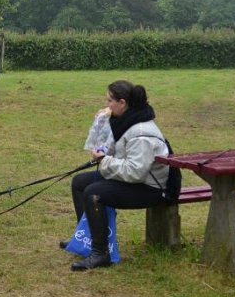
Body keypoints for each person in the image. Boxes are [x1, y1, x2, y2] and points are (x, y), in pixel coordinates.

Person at [65, 80, 170, 271]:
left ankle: (101, 253)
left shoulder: (141, 133)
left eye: (109, 101)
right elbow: (112, 150)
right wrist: (102, 126)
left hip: (151, 188)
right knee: (79, 182)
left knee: (93, 193)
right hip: (136, 180)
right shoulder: (127, 120)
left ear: (122, 103)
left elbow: (135, 172)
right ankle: (86, 238)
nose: (106, 105)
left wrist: (104, 160)